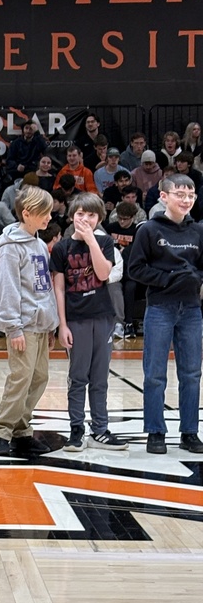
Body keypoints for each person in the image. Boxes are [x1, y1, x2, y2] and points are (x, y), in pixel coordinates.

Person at [127, 173, 203, 455]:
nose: (186, 200)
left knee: (192, 374)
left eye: (191, 195)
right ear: (164, 197)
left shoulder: (198, 232)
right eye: (180, 194)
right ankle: (155, 431)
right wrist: (168, 278)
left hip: (192, 310)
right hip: (159, 307)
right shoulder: (148, 230)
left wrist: (193, 276)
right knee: (155, 375)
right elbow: (135, 269)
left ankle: (190, 432)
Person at [50, 193, 125, 451]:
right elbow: (58, 289)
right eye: (80, 214)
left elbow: (104, 274)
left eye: (91, 215)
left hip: (102, 317)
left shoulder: (105, 241)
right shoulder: (61, 248)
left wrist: (92, 239)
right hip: (76, 319)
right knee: (78, 376)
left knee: (100, 377)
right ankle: (76, 428)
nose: (85, 219)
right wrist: (62, 324)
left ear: (99, 219)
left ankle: (100, 429)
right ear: (72, 216)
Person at [0, 185, 59, 458]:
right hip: (23, 326)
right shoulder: (8, 249)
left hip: (42, 326)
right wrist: (13, 326)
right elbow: (7, 290)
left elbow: (45, 288)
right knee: (20, 378)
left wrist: (51, 324)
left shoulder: (40, 244)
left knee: (40, 377)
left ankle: (22, 430)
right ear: (28, 214)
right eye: (45, 213)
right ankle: (2, 431)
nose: (50, 218)